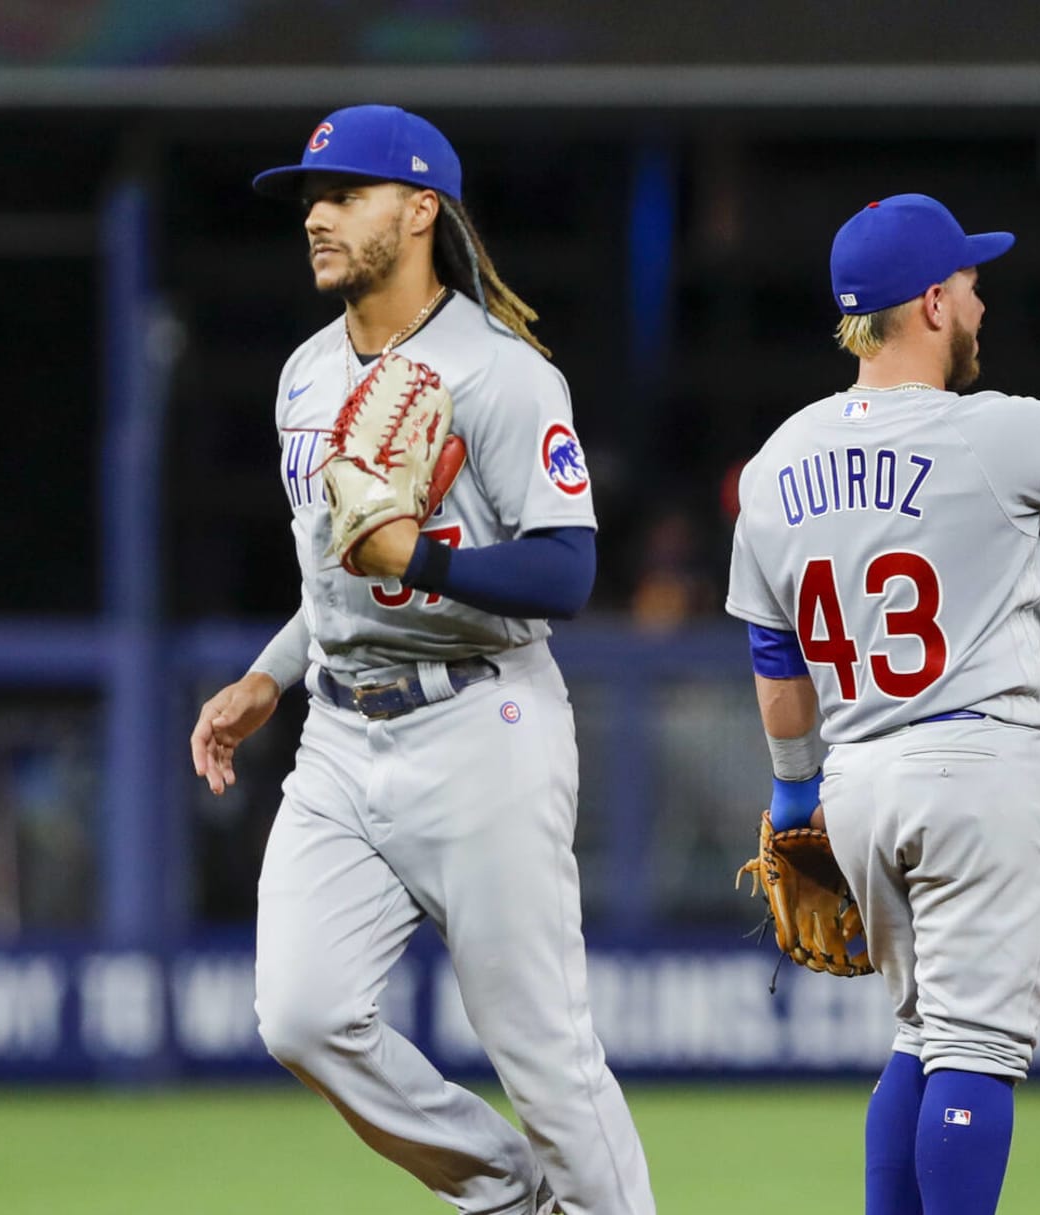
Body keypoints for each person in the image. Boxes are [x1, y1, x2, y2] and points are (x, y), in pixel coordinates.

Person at [188, 105, 653, 1215]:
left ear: (422, 209)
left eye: (345, 192)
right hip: (342, 733)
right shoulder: (305, 376)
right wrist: (271, 673)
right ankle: (507, 1191)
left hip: (480, 720)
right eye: (312, 195)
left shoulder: (500, 373)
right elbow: (335, 573)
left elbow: (566, 577)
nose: (317, 213)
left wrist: (425, 555)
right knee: (300, 1015)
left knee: (539, 1051)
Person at [723, 184, 1040, 1215]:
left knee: (921, 1037)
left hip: (856, 784)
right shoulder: (986, 431)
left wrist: (797, 802)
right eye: (971, 283)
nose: (981, 303)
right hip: (978, 767)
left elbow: (776, 658)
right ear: (931, 303)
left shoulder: (775, 463)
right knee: (974, 1051)